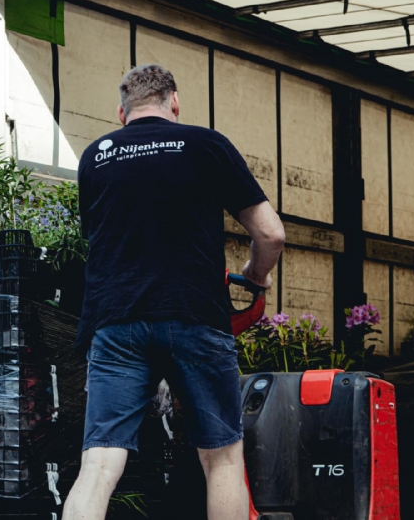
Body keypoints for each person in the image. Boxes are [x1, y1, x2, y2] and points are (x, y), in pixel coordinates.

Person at [62, 64, 285, 520]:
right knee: (221, 458)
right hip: (195, 316)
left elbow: (103, 235)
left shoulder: (95, 156)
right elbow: (271, 234)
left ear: (121, 114)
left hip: (116, 321)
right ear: (175, 103)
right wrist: (256, 277)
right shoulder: (207, 144)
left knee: (100, 462)